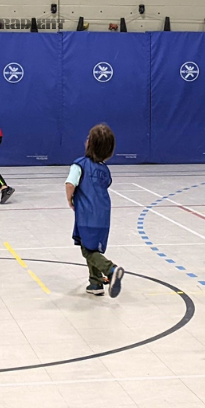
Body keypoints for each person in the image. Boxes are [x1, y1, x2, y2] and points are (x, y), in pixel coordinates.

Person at [66, 123, 124, 297]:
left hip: (86, 215)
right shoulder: (105, 170)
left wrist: (70, 198)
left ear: (89, 143)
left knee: (87, 250)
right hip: (103, 215)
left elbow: (70, 183)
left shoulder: (80, 165)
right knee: (92, 247)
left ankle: (111, 269)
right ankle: (95, 283)